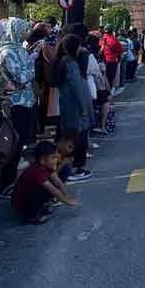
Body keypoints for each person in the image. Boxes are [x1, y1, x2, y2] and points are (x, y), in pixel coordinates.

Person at [0, 18, 38, 197]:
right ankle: (4, 184)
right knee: (13, 143)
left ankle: (10, 181)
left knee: (19, 144)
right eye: (22, 30)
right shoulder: (6, 52)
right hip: (15, 102)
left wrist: (29, 64)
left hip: (26, 101)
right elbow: (21, 76)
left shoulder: (19, 50)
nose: (25, 33)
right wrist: (30, 66)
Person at [55, 34, 94, 182]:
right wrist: (84, 108)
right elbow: (77, 87)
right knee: (77, 138)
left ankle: (68, 169)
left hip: (68, 104)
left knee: (70, 136)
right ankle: (75, 169)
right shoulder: (71, 64)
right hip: (75, 107)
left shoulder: (64, 61)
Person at [11, 141, 79, 224]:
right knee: (45, 189)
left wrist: (67, 196)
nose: (56, 160)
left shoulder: (48, 165)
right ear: (43, 160)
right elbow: (53, 190)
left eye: (56, 156)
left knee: (62, 174)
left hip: (30, 195)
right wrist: (67, 202)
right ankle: (30, 216)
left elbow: (58, 182)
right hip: (21, 203)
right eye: (53, 157)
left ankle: (39, 206)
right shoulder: (37, 170)